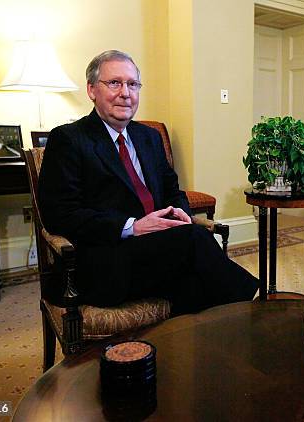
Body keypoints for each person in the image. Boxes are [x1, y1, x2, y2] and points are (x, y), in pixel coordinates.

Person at [38, 50, 258, 314]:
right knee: (195, 242)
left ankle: (186, 349)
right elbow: (60, 215)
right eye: (114, 83)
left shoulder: (148, 137)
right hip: (105, 257)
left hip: (159, 249)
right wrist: (133, 227)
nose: (125, 93)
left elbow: (172, 190)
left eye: (132, 84)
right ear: (91, 90)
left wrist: (180, 213)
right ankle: (255, 310)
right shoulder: (69, 139)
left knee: (194, 282)